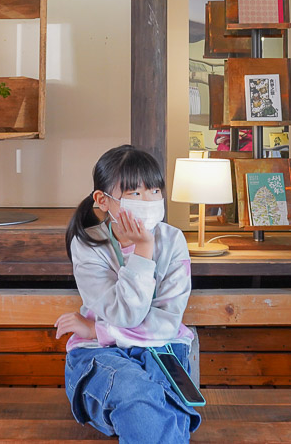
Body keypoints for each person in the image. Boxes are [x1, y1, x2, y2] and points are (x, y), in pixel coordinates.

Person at [56, 145, 201, 443]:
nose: (148, 200)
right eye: (134, 194)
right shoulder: (88, 245)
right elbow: (128, 313)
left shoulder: (173, 241)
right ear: (102, 200)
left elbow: (166, 323)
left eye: (155, 191)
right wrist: (143, 252)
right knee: (140, 396)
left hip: (164, 350)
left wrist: (98, 329)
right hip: (99, 354)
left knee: (155, 410)